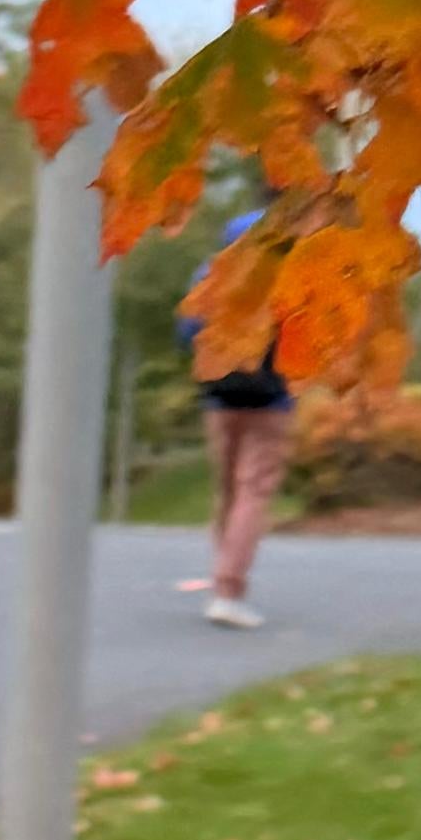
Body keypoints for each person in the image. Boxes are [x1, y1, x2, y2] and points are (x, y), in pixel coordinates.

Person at [182, 220, 289, 626]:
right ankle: (229, 589)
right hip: (271, 399)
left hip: (219, 396)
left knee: (227, 489)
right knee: (253, 491)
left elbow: (187, 331)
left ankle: (220, 580)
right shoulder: (285, 277)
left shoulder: (210, 275)